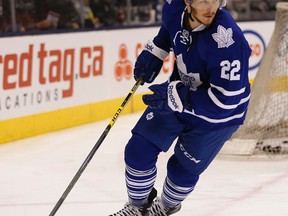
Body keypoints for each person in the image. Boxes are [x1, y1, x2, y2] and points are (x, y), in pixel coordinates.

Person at [110, 0, 251, 215]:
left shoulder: (229, 41)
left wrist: (175, 95)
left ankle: (165, 207)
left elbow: (225, 101)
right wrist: (155, 52)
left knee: (181, 172)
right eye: (203, 0)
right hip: (179, 94)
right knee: (138, 151)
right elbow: (169, 28)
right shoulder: (173, 6)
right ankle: (138, 208)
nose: (211, 7)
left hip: (218, 117)